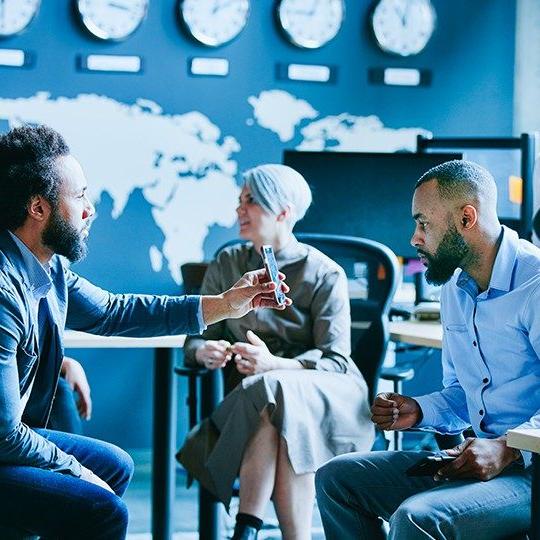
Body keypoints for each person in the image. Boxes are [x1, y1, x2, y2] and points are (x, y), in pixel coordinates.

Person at [0, 125, 290, 540]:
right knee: (102, 508)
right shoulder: (3, 287)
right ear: (38, 208)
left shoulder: (46, 266)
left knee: (116, 465)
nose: (90, 209)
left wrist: (226, 303)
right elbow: (4, 434)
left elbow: (114, 312)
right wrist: (76, 470)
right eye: (79, 195)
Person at [315, 160, 540, 540]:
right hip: (480, 459)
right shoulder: (455, 288)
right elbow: (463, 395)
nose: (414, 238)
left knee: (418, 517)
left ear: (467, 218)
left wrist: (507, 449)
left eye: (423, 223)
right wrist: (419, 410)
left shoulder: (534, 284)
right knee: (337, 479)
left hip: (529, 471)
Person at [177, 164, 374, 540]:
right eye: (240, 201)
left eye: (250, 202)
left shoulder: (326, 273)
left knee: (275, 390)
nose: (239, 210)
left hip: (328, 396)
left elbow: (336, 361)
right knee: (277, 407)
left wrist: (275, 365)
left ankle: (245, 529)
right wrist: (206, 352)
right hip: (262, 403)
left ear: (283, 212)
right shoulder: (228, 263)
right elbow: (196, 340)